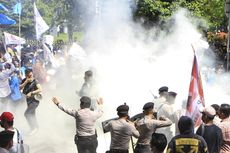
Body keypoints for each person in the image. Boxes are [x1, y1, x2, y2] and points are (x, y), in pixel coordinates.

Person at [20, 69, 42, 135]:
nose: (30, 76)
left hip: (35, 101)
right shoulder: (24, 80)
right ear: (26, 75)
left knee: (27, 114)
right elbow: (20, 88)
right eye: (28, 75)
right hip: (29, 101)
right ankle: (36, 128)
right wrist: (26, 81)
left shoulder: (35, 81)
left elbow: (40, 89)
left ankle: (33, 128)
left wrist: (31, 93)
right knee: (32, 115)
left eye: (31, 75)